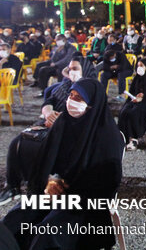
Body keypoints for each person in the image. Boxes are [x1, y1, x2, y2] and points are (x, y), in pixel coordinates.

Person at [2, 78, 125, 250]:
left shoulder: (107, 137)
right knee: (14, 220)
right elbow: (44, 160)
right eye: (71, 95)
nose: (71, 102)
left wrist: (68, 192)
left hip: (82, 202)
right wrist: (48, 180)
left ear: (92, 104)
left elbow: (106, 185)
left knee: (48, 234)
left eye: (79, 99)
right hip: (50, 192)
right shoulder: (63, 122)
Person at [0, 56, 95, 205]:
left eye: (75, 69)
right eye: (70, 69)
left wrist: (61, 121)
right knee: (17, 142)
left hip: (70, 128)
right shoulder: (65, 85)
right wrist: (48, 112)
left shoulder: (92, 90)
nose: (71, 72)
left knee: (40, 147)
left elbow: (90, 115)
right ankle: (12, 187)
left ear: (85, 70)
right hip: (48, 121)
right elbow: (49, 101)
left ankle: (37, 187)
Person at [117, 58, 146, 150]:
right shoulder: (137, 78)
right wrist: (134, 98)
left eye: (141, 66)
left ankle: (134, 139)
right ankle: (123, 137)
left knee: (135, 112)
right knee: (124, 111)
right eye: (138, 66)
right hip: (135, 102)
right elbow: (132, 92)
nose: (139, 68)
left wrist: (143, 97)